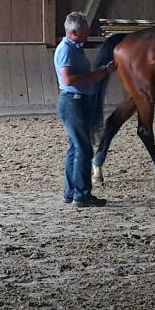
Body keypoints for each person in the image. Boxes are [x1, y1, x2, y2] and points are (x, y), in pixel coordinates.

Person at [54, 11, 116, 208]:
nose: (88, 33)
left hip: (77, 101)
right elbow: (69, 79)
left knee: (75, 148)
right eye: (85, 30)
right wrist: (97, 74)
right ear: (73, 33)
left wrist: (104, 71)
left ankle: (70, 192)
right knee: (83, 149)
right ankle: (81, 195)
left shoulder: (75, 48)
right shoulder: (66, 50)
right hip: (73, 101)